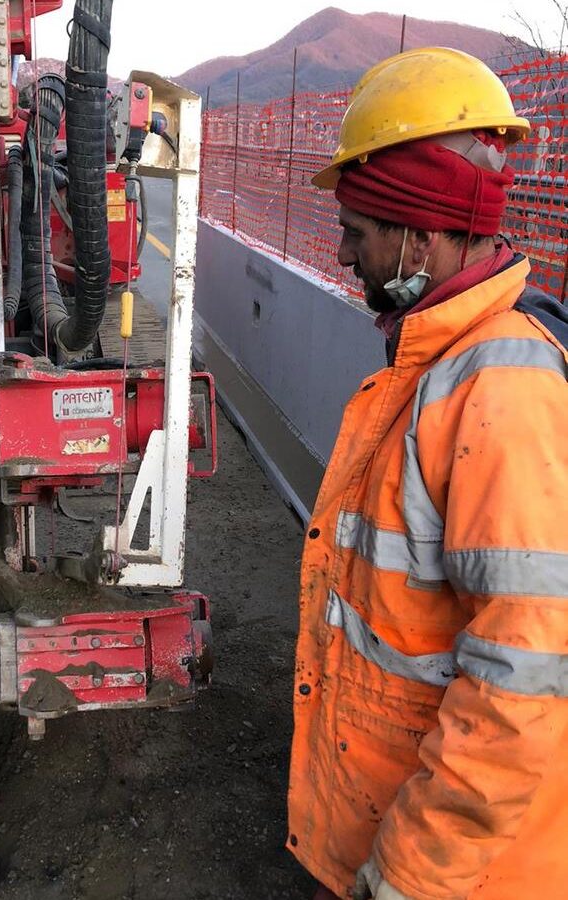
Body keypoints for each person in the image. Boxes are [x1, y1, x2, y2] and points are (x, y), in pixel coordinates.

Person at [286, 47, 568, 900]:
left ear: (421, 233)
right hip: (381, 831)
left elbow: (521, 687)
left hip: (451, 876)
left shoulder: (500, 394)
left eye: (358, 231)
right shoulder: (432, 366)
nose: (342, 254)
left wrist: (411, 875)